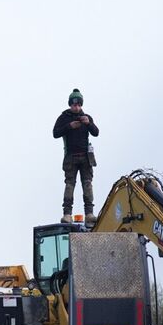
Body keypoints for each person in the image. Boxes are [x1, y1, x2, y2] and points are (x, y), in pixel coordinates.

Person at [53, 88, 100, 224]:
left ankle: (89, 214)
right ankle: (67, 214)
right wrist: (69, 126)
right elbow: (55, 133)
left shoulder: (86, 117)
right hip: (70, 157)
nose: (76, 107)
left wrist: (88, 123)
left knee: (87, 184)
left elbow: (96, 132)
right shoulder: (64, 118)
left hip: (86, 157)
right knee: (69, 185)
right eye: (74, 104)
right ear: (70, 104)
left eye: (79, 104)